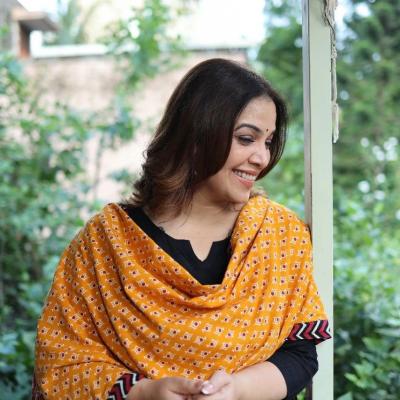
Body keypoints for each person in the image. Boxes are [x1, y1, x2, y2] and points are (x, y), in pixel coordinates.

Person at [33, 58, 331, 400]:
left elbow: (300, 354)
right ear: (196, 135)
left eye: (267, 142)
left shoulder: (278, 235)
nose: (262, 158)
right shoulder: (106, 243)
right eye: (247, 138)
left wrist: (236, 391)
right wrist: (143, 393)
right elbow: (62, 362)